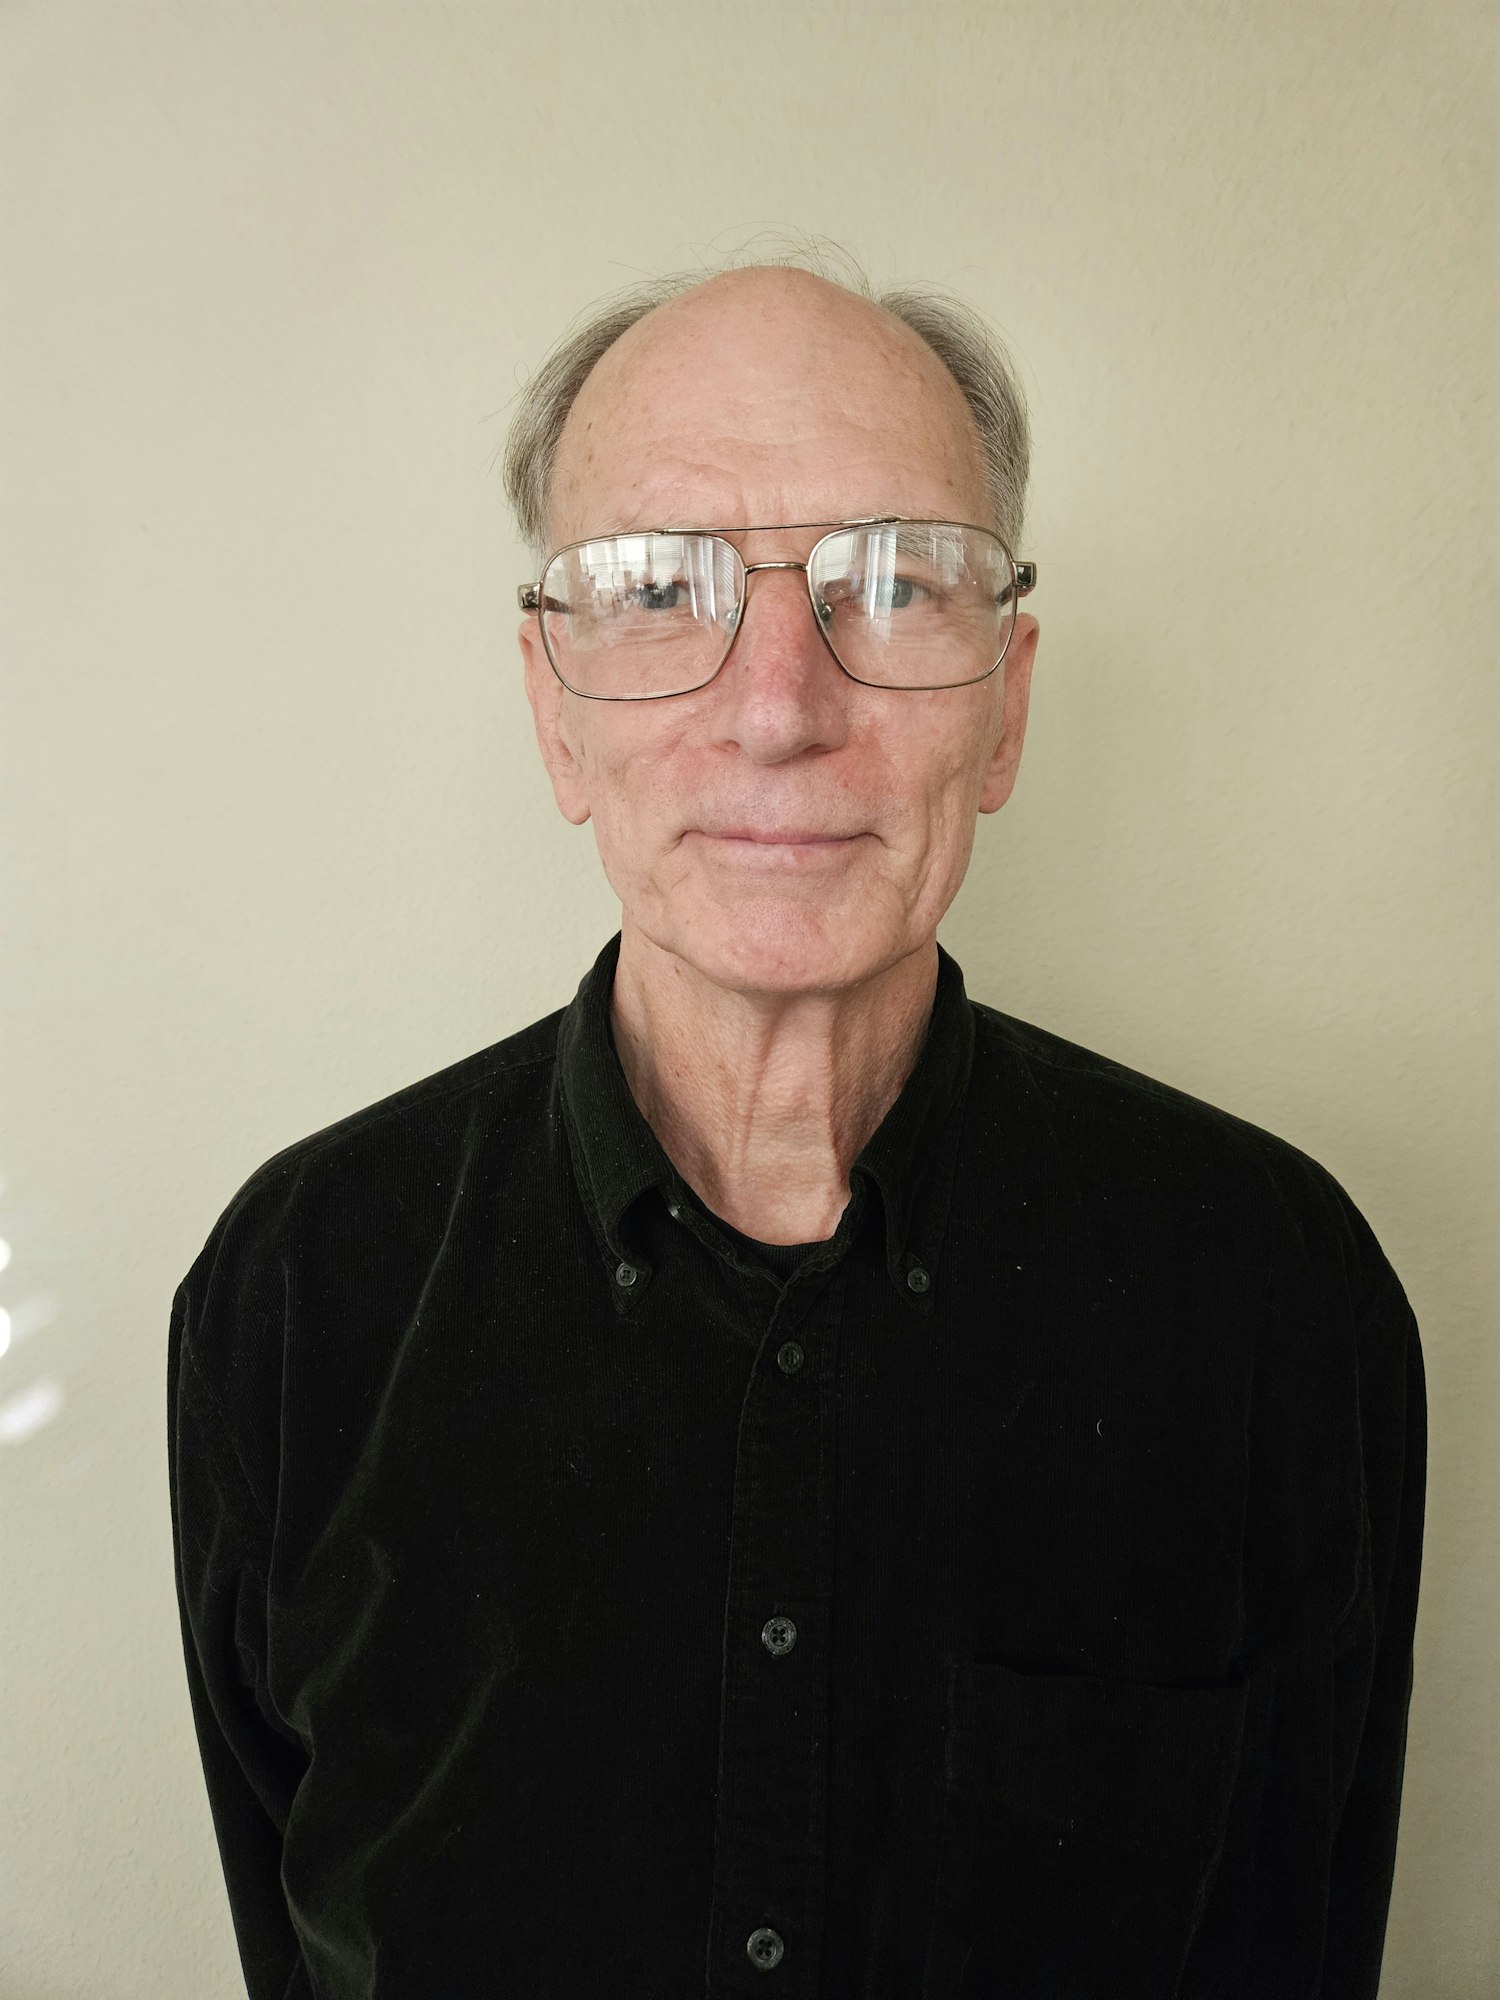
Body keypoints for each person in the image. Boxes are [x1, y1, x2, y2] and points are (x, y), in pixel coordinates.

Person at [168, 258, 1426, 1999]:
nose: (778, 707)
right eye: (657, 592)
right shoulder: (294, 1299)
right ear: (552, 706)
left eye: (897, 582)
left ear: (1006, 699)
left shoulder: (1276, 1292)